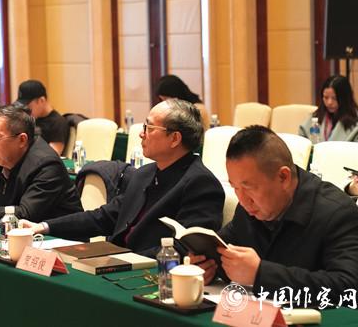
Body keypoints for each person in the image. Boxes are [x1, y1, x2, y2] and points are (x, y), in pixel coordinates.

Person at [191, 126, 358, 309]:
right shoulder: (249, 208)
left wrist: (260, 274)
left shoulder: (337, 212)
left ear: (283, 177)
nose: (243, 199)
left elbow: (348, 289)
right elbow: (226, 248)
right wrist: (209, 267)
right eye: (235, 188)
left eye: (248, 188)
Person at [20, 99, 224, 257]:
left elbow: (185, 248)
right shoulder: (144, 173)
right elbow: (104, 216)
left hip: (148, 274)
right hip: (117, 260)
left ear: (175, 138)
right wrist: (44, 226)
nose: (141, 134)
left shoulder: (200, 184)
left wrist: (123, 259)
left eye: (149, 128)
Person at [299, 75, 358, 142]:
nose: (329, 102)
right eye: (326, 97)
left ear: (345, 98)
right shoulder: (318, 115)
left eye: (334, 98)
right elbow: (302, 138)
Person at [15, 79, 68, 155]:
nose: (25, 110)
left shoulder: (58, 123)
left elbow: (53, 154)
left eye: (28, 106)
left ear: (41, 100)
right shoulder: (29, 120)